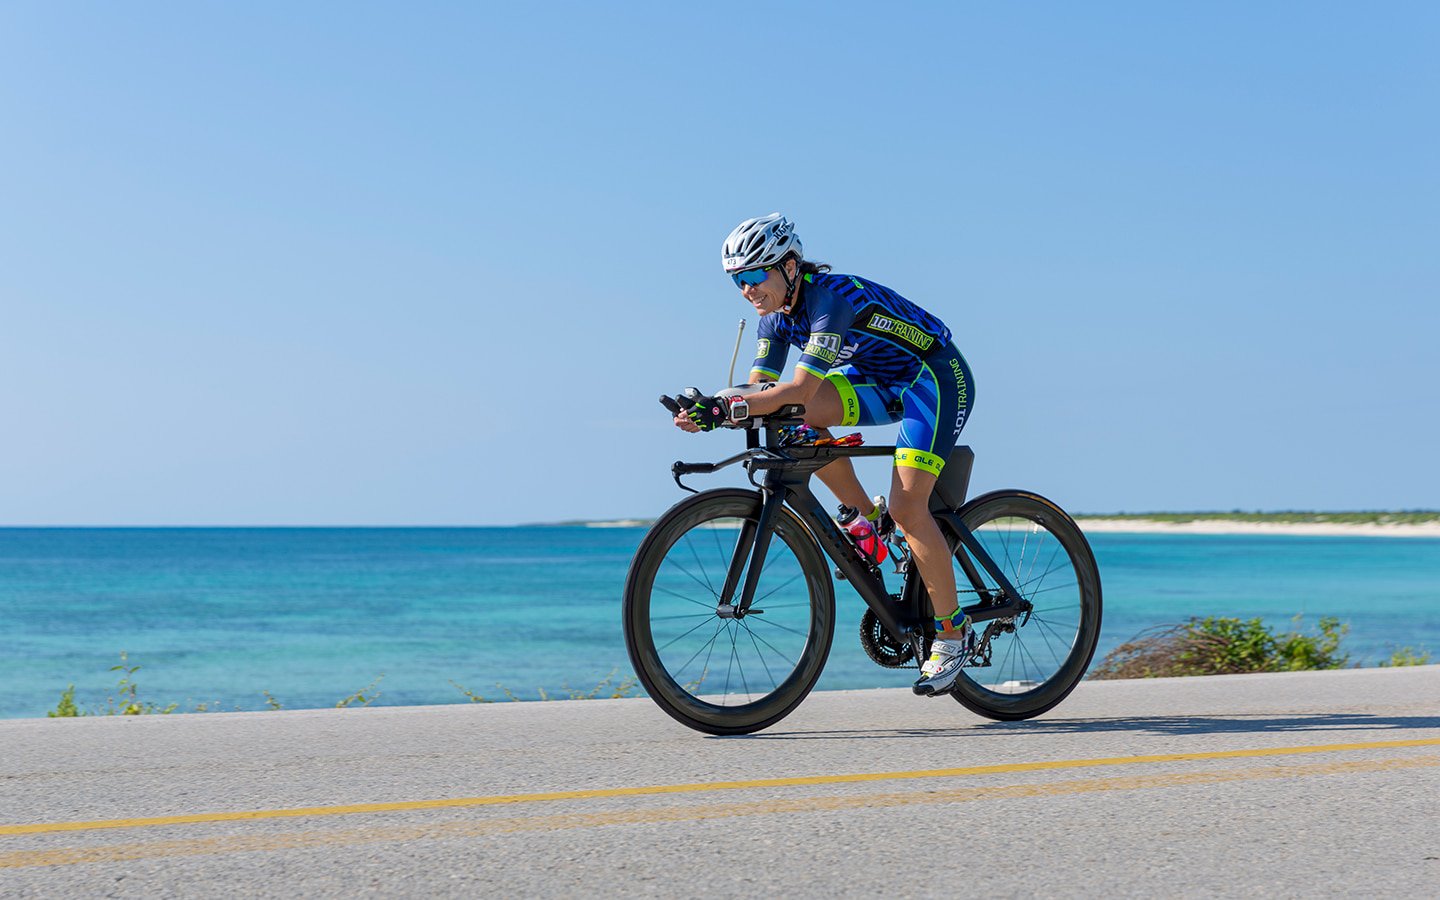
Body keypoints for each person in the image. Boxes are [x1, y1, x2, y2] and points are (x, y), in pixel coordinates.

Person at [672, 213, 977, 696]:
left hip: (933, 379)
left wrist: (729, 406)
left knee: (910, 508)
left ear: (790, 266)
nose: (747, 289)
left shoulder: (829, 300)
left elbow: (798, 386)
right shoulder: (773, 317)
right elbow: (762, 390)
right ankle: (868, 520)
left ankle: (952, 636)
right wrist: (713, 408)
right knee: (797, 417)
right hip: (878, 379)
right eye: (737, 280)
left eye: (755, 275)